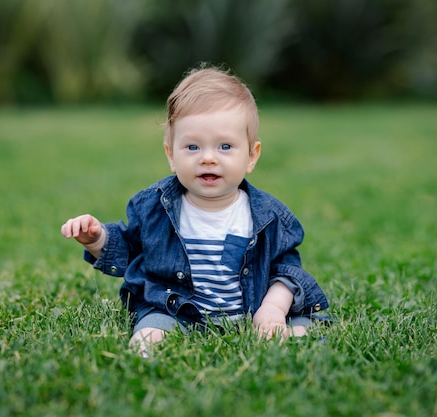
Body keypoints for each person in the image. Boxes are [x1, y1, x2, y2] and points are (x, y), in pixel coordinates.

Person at [61, 65, 329, 354]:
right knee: (148, 334)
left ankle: (283, 332)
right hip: (176, 310)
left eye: (225, 146)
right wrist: (97, 239)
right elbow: (129, 250)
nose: (208, 158)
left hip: (253, 312)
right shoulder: (154, 208)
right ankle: (148, 350)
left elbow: (287, 270)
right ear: (171, 155)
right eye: (192, 147)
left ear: (251, 156)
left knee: (302, 329)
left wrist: (273, 309)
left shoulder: (268, 216)